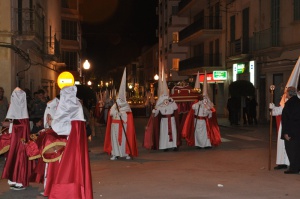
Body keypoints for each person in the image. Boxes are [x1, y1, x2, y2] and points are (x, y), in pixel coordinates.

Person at [48, 85, 93, 198]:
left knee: (66, 172)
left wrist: (51, 123)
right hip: (74, 146)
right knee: (75, 171)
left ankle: (67, 194)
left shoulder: (68, 106)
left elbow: (65, 128)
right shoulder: (76, 105)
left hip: (67, 146)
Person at [1, 87, 35, 190]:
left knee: (19, 159)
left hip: (20, 144)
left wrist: (10, 125)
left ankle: (20, 181)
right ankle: (13, 179)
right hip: (16, 142)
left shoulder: (21, 118)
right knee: (13, 158)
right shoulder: (20, 116)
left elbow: (18, 127)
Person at [104, 68, 138, 160]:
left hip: (124, 126)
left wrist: (122, 114)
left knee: (124, 140)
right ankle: (115, 153)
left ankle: (125, 153)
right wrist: (116, 111)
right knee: (115, 140)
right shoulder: (115, 105)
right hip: (114, 125)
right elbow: (110, 113)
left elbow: (129, 116)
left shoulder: (126, 106)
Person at [144, 70, 180, 151]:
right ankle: (165, 146)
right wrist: (155, 110)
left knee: (173, 132)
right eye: (163, 95)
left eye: (165, 95)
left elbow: (175, 108)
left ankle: (174, 145)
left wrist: (172, 101)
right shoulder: (160, 104)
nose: (165, 97)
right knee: (164, 133)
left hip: (172, 119)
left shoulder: (171, 101)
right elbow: (155, 113)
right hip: (164, 121)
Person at [281, 86, 300, 174]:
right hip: (298, 130)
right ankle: (297, 167)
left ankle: (293, 168)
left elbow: (288, 120)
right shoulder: (298, 102)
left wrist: (286, 132)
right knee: (297, 150)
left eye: (286, 93)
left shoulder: (289, 104)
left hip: (291, 131)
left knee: (291, 150)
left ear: (288, 93)